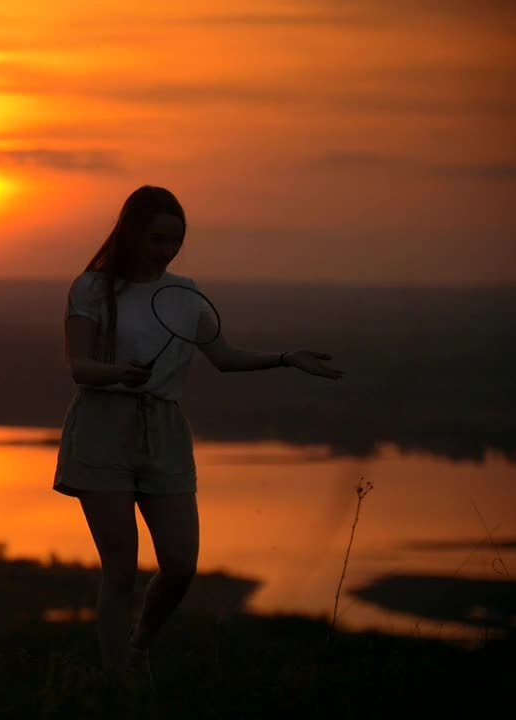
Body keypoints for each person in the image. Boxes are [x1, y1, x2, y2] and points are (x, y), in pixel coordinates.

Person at [53, 185, 344, 688]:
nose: (167, 250)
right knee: (120, 567)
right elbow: (78, 366)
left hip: (163, 431)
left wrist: (283, 358)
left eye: (175, 241)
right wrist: (117, 372)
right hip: (103, 426)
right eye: (158, 238)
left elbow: (224, 357)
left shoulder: (185, 295)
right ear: (132, 233)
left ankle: (140, 645)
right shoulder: (92, 288)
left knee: (181, 564)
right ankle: (114, 681)